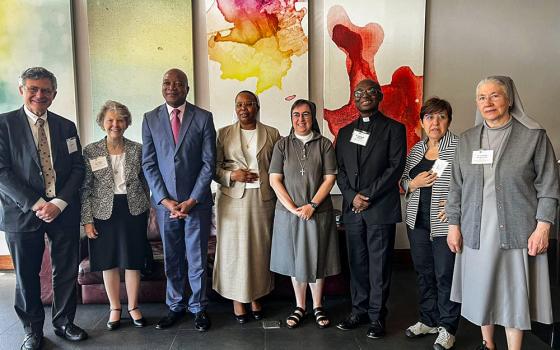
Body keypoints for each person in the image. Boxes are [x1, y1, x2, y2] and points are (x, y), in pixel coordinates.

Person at [446, 76, 559, 350]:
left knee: (512, 296)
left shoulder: (533, 136)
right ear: (476, 103)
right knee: (483, 290)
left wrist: (543, 226)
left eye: (495, 95)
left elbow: (549, 185)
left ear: (509, 99)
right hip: (476, 229)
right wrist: (453, 224)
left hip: (516, 230)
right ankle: (488, 343)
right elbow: (456, 186)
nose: (488, 102)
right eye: (482, 97)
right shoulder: (468, 139)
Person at [0, 67, 87, 349]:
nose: (40, 95)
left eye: (46, 90)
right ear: (22, 90)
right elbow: (2, 172)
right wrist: (38, 204)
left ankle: (64, 323)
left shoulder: (66, 127)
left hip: (63, 211)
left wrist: (59, 203)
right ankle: (32, 330)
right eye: (33, 89)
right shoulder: (4, 125)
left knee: (66, 270)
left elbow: (77, 168)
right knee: (26, 275)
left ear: (54, 94)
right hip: (22, 213)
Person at [142, 68, 216, 332]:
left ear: (187, 88)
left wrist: (192, 200)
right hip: (165, 207)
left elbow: (209, 164)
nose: (171, 87)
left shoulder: (203, 118)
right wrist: (164, 200)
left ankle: (198, 308)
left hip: (197, 205)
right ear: (162, 87)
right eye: (166, 83)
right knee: (172, 258)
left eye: (178, 84)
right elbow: (149, 164)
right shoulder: (150, 119)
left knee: (196, 258)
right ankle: (175, 306)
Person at [335, 79, 407, 338]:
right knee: (357, 263)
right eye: (359, 92)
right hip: (353, 210)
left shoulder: (394, 129)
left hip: (379, 208)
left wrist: (366, 194)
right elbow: (339, 170)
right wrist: (352, 196)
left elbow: (395, 167)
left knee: (379, 264)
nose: (364, 95)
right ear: (354, 99)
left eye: (369, 92)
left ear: (379, 97)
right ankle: (359, 310)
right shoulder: (343, 133)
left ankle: (377, 317)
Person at [269, 99, 340, 329]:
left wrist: (312, 205)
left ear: (313, 117)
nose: (301, 119)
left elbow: (330, 178)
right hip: (289, 214)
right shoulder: (281, 145)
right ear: (291, 118)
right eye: (296, 115)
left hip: (317, 212)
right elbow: (274, 179)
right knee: (294, 259)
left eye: (306, 114)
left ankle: (318, 305)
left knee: (317, 258)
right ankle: (300, 306)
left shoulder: (325, 144)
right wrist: (292, 208)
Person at [81, 100, 150, 330]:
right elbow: (86, 188)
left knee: (133, 262)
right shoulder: (91, 151)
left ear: (127, 123)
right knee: (108, 262)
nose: (115, 124)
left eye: (120, 119)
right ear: (102, 123)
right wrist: (87, 220)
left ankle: (133, 306)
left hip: (133, 210)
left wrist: (147, 207)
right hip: (103, 212)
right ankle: (115, 308)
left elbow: (145, 182)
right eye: (110, 120)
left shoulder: (138, 149)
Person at [212, 91, 281, 323]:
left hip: (263, 200)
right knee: (233, 251)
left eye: (248, 104)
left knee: (259, 250)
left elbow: (278, 168)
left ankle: (255, 296)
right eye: (239, 104)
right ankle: (237, 300)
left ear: (257, 106)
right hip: (231, 200)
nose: (243, 108)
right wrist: (233, 174)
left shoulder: (272, 134)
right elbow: (213, 169)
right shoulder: (223, 134)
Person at [400, 98, 460, 350]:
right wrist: (412, 184)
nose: (435, 122)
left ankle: (448, 328)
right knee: (424, 273)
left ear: (448, 120)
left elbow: (472, 181)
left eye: (441, 117)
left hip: (445, 224)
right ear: (422, 122)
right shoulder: (416, 149)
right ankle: (428, 319)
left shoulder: (459, 147)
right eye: (429, 117)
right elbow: (403, 180)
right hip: (417, 222)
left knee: (445, 275)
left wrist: (456, 205)